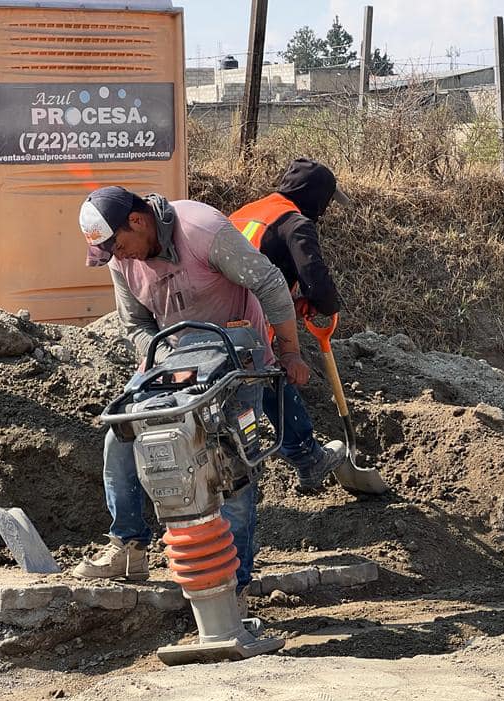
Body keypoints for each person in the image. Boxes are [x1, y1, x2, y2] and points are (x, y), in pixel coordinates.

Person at [71, 186, 339, 586]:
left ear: (139, 221)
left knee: (233, 456)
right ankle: (128, 545)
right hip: (174, 355)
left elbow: (268, 282)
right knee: (121, 434)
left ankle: (236, 578)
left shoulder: (201, 229)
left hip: (237, 347)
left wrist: (290, 352)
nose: (118, 255)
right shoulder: (121, 261)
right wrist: (168, 363)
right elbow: (136, 325)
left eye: (119, 245)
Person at [229, 158, 348, 491]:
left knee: (251, 382)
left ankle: (291, 458)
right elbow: (316, 277)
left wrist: (296, 301)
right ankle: (307, 458)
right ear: (317, 198)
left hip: (214, 311)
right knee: (272, 377)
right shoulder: (295, 223)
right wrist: (326, 304)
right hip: (249, 316)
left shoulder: (252, 210)